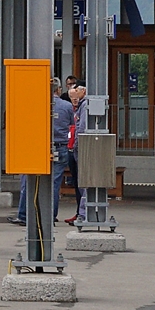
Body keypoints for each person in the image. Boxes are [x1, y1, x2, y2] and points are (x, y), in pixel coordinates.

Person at [10, 78, 75, 226]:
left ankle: (23, 215)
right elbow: (72, 124)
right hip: (60, 146)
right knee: (54, 183)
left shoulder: (35, 103)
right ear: (58, 89)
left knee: (29, 181)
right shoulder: (67, 106)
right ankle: (49, 216)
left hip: (37, 146)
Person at [67, 83, 89, 224]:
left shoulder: (85, 106)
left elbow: (81, 129)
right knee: (78, 182)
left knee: (83, 183)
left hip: (79, 148)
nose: (75, 94)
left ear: (84, 91)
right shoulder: (79, 106)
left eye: (77, 90)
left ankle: (83, 213)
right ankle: (80, 212)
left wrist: (75, 146)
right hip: (76, 148)